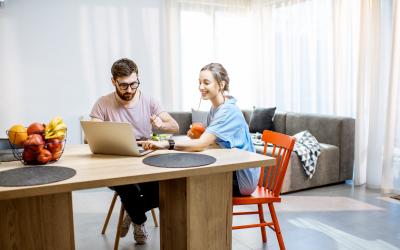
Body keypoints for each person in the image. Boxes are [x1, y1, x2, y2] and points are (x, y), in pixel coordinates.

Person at [89, 58, 179, 244]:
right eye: (123, 85)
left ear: (138, 79)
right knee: (127, 185)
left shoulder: (149, 100)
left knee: (163, 188)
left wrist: (162, 124)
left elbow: (174, 126)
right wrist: (103, 132)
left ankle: (132, 213)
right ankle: (139, 220)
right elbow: (90, 136)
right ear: (113, 81)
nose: (129, 90)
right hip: (115, 164)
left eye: (133, 84)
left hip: (145, 161)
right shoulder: (103, 103)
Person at [139, 63, 260, 197]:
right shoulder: (216, 108)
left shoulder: (227, 111)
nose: (201, 87)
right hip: (230, 167)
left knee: (180, 180)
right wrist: (198, 136)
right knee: (177, 177)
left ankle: (139, 209)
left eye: (206, 83)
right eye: (200, 82)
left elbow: (202, 144)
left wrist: (166, 144)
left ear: (221, 84)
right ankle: (142, 208)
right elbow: (210, 141)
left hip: (241, 179)